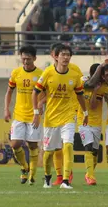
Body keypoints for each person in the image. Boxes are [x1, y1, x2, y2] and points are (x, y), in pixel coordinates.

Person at [32, 44, 88, 189]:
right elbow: (35, 92)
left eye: (68, 55)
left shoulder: (74, 75)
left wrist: (85, 112)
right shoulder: (48, 73)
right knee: (49, 152)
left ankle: (65, 180)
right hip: (51, 118)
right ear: (56, 56)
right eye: (63, 54)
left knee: (68, 145)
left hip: (69, 115)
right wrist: (36, 113)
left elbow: (80, 95)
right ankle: (47, 177)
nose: (66, 57)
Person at [4, 45, 43, 185]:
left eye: (28, 59)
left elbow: (47, 94)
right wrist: (6, 109)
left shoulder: (40, 74)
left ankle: (32, 175)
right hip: (19, 114)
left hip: (34, 115)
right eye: (24, 58)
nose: (26, 61)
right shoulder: (16, 73)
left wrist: (40, 106)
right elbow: (9, 92)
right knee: (15, 144)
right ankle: (24, 168)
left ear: (34, 58)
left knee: (33, 145)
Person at [79, 62, 108, 185]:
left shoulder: (103, 87)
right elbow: (90, 105)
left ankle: (89, 173)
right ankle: (91, 176)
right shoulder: (83, 83)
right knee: (89, 146)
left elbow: (93, 105)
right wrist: (95, 91)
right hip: (84, 121)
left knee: (95, 152)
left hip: (97, 123)